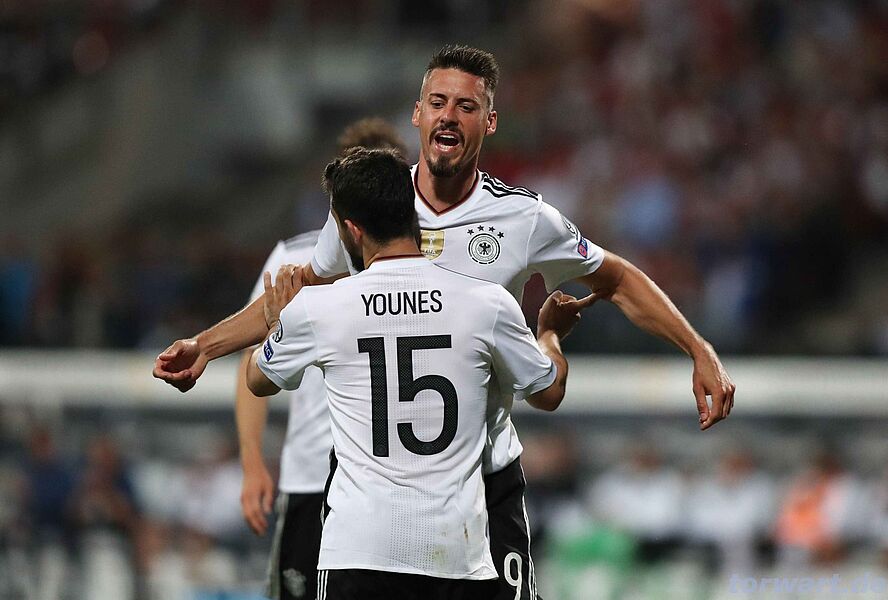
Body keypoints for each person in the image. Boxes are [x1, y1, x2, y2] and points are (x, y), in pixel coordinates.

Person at [154, 45, 736, 599]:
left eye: (466, 106)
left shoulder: (523, 218)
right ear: (417, 114)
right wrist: (205, 346)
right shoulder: (376, 207)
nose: (449, 116)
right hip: (382, 485)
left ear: (490, 121)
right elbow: (304, 287)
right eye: (437, 102)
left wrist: (697, 348)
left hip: (482, 478)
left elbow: (617, 278)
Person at [246, 148, 586, 599]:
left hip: (356, 552)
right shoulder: (484, 302)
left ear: (352, 230)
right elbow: (550, 390)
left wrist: (278, 322)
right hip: (454, 553)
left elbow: (258, 378)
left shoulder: (320, 308)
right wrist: (550, 334)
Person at [236, 118, 407, 600]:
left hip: (393, 480)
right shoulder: (292, 259)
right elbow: (252, 363)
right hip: (314, 472)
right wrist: (252, 462)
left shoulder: (423, 265)